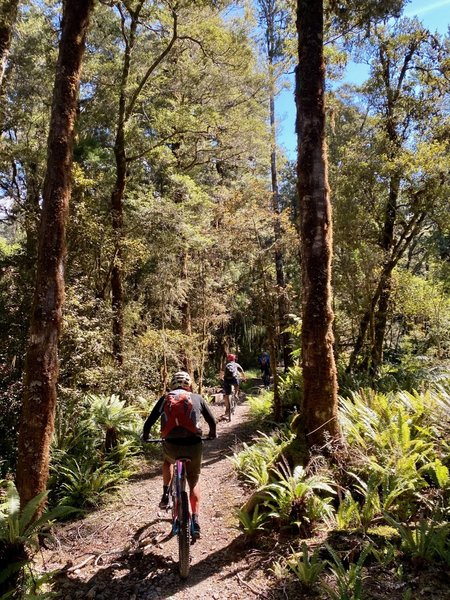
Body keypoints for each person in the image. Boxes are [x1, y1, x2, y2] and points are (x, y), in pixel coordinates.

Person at [141, 371, 216, 538]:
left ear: (171, 385)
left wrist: (146, 436)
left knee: (168, 462)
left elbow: (149, 422)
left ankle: (165, 492)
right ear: (189, 385)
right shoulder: (197, 398)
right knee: (194, 480)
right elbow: (211, 421)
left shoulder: (165, 399)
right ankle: (195, 521)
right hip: (193, 446)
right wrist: (212, 434)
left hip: (172, 447)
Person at [222, 353, 246, 417]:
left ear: (228, 359)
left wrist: (221, 378)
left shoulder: (226, 365)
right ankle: (236, 393)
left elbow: (221, 373)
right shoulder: (236, 364)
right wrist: (244, 378)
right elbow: (242, 372)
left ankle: (227, 409)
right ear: (234, 359)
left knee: (227, 395)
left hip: (227, 380)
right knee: (237, 385)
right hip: (234, 379)